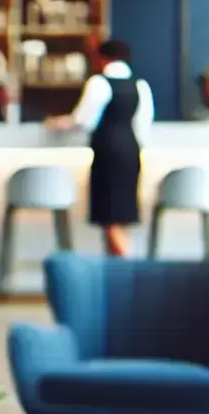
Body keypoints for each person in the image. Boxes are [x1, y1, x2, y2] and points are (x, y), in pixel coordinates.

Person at [45, 38, 154, 256]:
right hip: (131, 152)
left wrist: (55, 123)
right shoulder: (140, 85)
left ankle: (126, 270)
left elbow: (84, 120)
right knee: (122, 217)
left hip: (107, 153)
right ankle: (119, 273)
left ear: (101, 58)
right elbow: (143, 124)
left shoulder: (99, 83)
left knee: (110, 217)